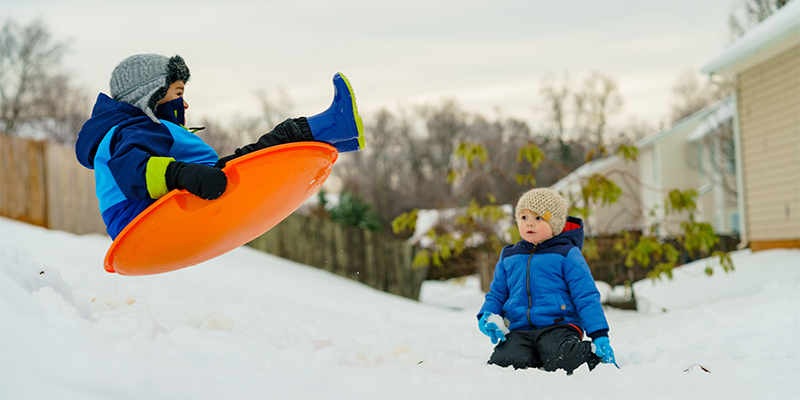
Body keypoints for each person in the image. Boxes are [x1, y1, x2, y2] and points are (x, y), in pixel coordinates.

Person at [75, 54, 363, 239]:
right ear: (151, 96)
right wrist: (180, 174)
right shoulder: (137, 129)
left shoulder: (131, 129)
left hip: (145, 216)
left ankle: (336, 135)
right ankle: (333, 126)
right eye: (177, 93)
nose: (184, 103)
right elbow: (131, 169)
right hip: (142, 219)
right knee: (255, 157)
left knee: (245, 160)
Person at [477, 188, 617, 374]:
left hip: (559, 326)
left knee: (563, 358)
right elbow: (498, 293)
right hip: (520, 329)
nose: (530, 224)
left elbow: (585, 295)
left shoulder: (567, 254)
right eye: (524, 217)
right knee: (504, 362)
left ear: (555, 224)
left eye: (538, 218)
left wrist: (599, 334)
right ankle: (535, 354)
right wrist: (487, 315)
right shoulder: (509, 255)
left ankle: (592, 356)